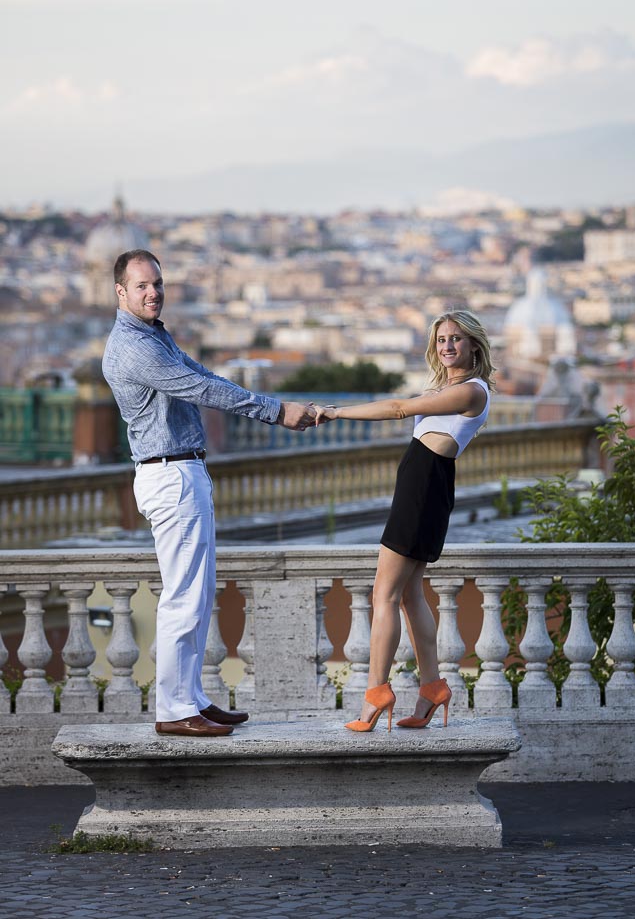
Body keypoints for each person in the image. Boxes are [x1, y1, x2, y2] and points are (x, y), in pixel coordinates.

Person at [102, 249, 316, 738]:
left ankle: (192, 697)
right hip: (170, 474)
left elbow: (207, 378)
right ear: (121, 292)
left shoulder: (154, 335)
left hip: (183, 472)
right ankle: (175, 710)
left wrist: (272, 405)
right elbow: (200, 390)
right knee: (183, 596)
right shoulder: (133, 346)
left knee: (198, 595)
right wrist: (275, 410)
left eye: (158, 283)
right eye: (142, 286)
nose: (153, 292)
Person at [314, 309, 495, 732]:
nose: (447, 346)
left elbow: (398, 408)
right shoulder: (448, 386)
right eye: (440, 340)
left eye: (455, 338)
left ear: (474, 345)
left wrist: (336, 412)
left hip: (423, 487)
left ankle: (376, 691)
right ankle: (432, 687)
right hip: (423, 483)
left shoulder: (471, 391)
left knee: (385, 595)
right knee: (411, 594)